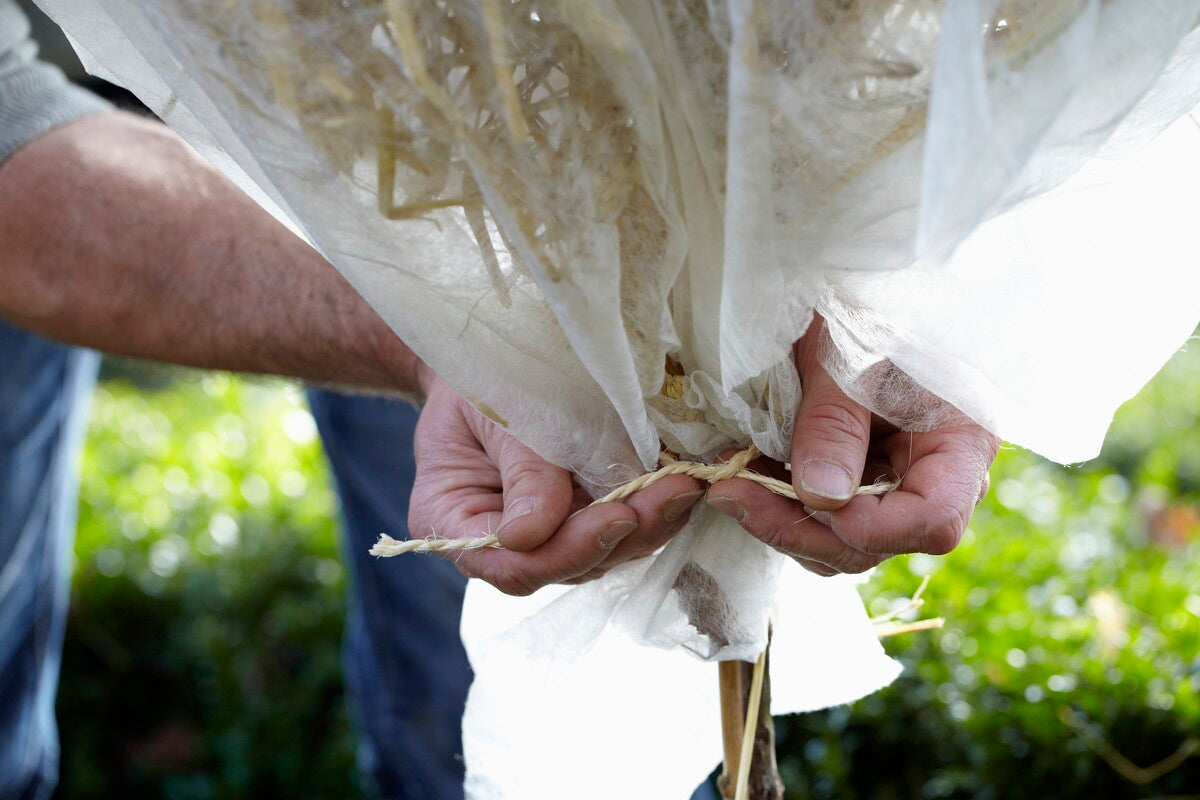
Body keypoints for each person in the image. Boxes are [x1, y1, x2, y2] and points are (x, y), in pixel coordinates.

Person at [0, 1, 998, 797]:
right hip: (394, 155)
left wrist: (899, 301)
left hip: (483, 126)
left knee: (538, 626)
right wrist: (464, 337)